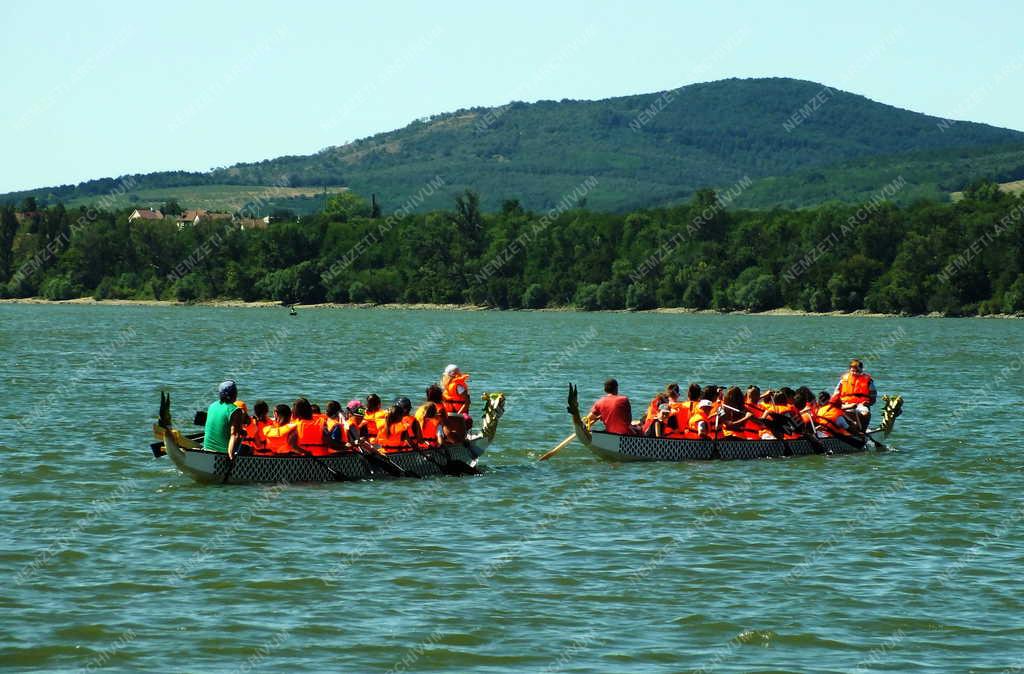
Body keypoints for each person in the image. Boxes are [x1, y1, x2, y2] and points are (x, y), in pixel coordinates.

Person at [204, 380, 248, 458]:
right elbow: (234, 435)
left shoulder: (212, 406)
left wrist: (241, 431)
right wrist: (231, 456)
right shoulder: (235, 410)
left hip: (207, 449)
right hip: (222, 454)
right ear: (234, 394)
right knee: (248, 449)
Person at [832, 359, 876, 430]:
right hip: (845, 403)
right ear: (849, 370)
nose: (854, 373)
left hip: (861, 405)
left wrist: (868, 403)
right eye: (853, 371)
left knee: (866, 414)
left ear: (861, 370)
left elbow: (873, 395)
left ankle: (862, 431)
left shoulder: (868, 380)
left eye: (857, 371)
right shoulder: (843, 380)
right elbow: (836, 393)